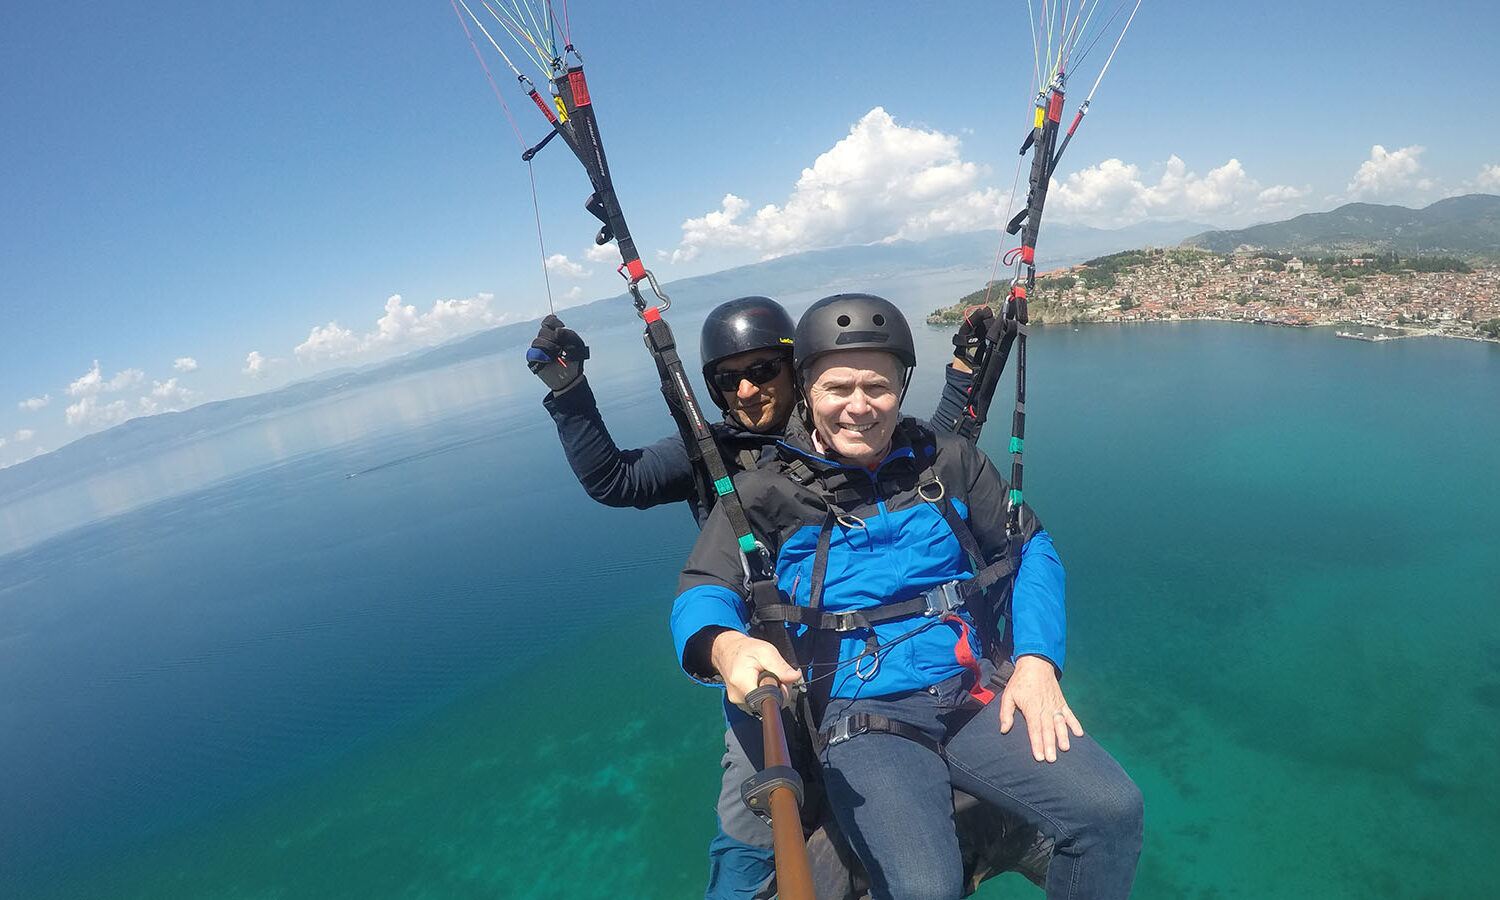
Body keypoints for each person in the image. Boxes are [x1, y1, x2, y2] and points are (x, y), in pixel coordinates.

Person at [671, 293, 1144, 900]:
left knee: (1111, 810)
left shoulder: (949, 461)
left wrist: (1036, 659)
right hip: (864, 718)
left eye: (879, 386)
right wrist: (726, 644)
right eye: (838, 388)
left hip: (972, 692)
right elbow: (702, 590)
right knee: (925, 888)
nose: (859, 407)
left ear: (903, 387)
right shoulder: (761, 495)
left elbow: (1030, 548)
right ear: (808, 391)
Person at [528, 296, 1004, 898]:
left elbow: (931, 456)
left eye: (762, 372)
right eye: (728, 380)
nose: (747, 391)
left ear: (797, 370)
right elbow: (616, 480)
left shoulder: (843, 434)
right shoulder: (715, 452)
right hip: (766, 676)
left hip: (859, 669)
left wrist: (964, 371)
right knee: (752, 834)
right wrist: (568, 392)